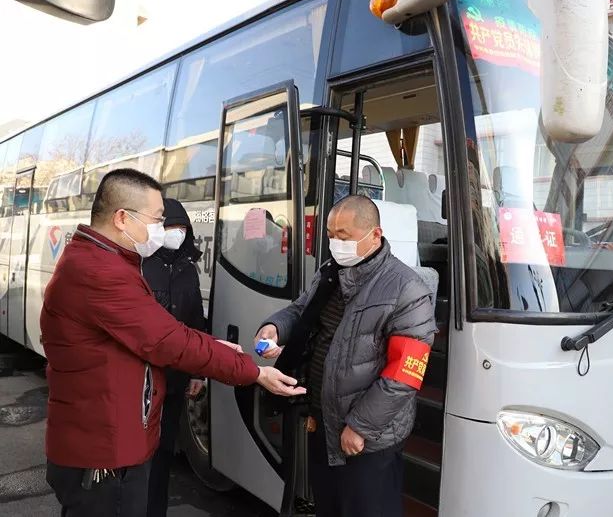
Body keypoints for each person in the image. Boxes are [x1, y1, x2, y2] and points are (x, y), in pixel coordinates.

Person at [41, 169, 305, 517]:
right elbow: (168, 340)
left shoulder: (104, 261)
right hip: (104, 456)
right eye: (157, 219)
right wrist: (254, 372)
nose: (161, 229)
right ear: (122, 218)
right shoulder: (99, 272)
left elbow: (166, 331)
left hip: (107, 441)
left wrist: (212, 346)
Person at [255, 195, 436, 517]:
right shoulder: (331, 273)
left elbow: (404, 373)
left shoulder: (407, 289)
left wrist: (360, 426)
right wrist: (274, 327)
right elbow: (301, 310)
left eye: (344, 236)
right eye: (330, 235)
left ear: (375, 235)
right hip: (324, 422)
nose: (336, 244)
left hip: (368, 437)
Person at [142, 198, 206, 517]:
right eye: (170, 226)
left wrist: (197, 372)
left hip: (176, 376)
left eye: (182, 227)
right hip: (144, 378)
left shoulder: (187, 269)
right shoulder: (140, 264)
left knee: (164, 449)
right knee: (140, 451)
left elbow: (195, 321)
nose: (176, 233)